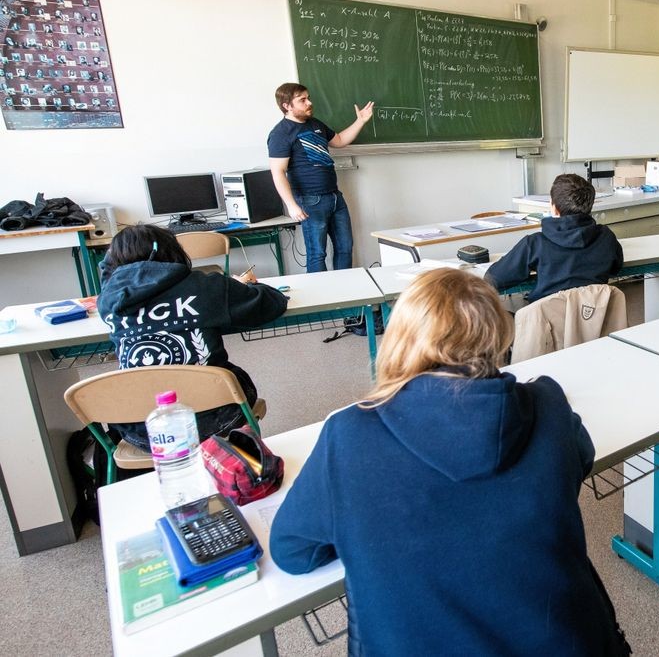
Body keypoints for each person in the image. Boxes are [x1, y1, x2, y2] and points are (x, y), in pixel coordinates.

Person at [270, 268, 629, 655]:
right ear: (497, 334)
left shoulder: (349, 434)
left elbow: (293, 551)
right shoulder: (548, 405)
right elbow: (580, 461)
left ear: (402, 338)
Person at [97, 225, 288, 451]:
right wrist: (247, 286)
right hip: (215, 418)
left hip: (141, 427)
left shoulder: (108, 300)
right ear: (172, 250)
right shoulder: (206, 286)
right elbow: (272, 303)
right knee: (235, 378)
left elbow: (109, 276)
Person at [267, 82, 374, 272]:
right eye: (302, 100)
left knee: (345, 248)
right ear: (287, 105)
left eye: (308, 97)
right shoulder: (280, 134)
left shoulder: (315, 124)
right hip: (310, 200)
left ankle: (346, 297)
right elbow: (277, 172)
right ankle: (324, 299)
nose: (309, 102)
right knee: (317, 253)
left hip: (334, 196)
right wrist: (292, 205)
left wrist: (361, 121)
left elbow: (339, 141)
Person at [485, 173, 623, 302]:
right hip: (592, 320)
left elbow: (494, 278)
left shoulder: (534, 244)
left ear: (554, 208)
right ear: (590, 206)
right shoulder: (606, 237)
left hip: (547, 324)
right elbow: (615, 268)